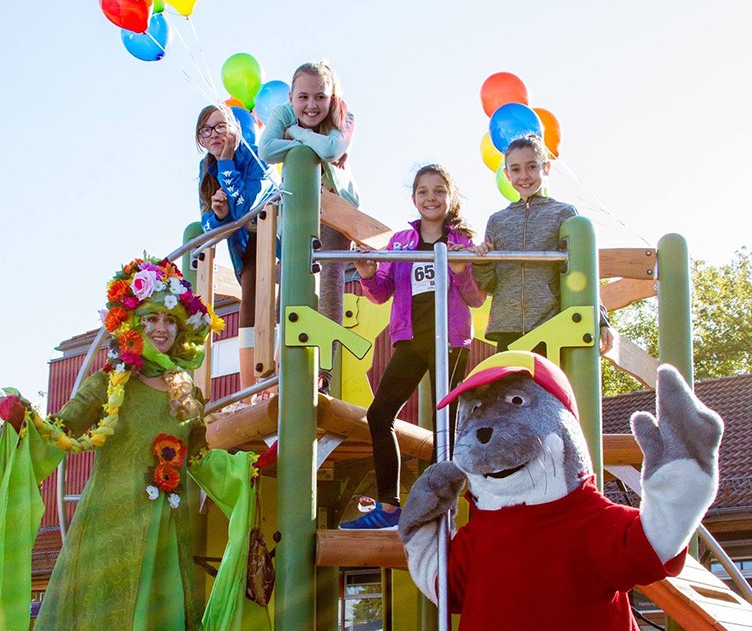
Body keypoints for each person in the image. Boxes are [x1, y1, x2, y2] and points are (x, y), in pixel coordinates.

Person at [0, 259, 269, 631]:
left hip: (166, 533)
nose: (160, 329)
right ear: (131, 324)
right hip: (110, 526)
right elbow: (63, 428)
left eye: (169, 321)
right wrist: (23, 422)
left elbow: (198, 458)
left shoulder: (185, 394)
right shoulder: (109, 381)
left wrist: (248, 471)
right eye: (150, 319)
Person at [339, 165, 485, 530]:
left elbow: (476, 298)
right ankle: (389, 506)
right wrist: (368, 274)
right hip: (412, 338)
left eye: (438, 191)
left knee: (445, 425)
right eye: (423, 191)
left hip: (448, 340)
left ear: (450, 197)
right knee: (379, 413)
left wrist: (463, 268)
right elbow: (382, 290)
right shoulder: (401, 242)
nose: (431, 198)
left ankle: (441, 504)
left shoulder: (461, 242)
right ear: (414, 198)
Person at [259, 61, 358, 392]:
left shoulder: (341, 115)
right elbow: (266, 149)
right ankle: (279, 373)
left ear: (332, 97)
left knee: (328, 281)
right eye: (303, 97)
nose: (312, 105)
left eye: (320, 97)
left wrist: (299, 137)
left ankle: (323, 376)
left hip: (335, 207)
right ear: (291, 96)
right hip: (299, 209)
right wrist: (307, 145)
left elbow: (332, 148)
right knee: (289, 281)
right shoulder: (283, 114)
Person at [473, 133, 613, 355]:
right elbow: (491, 284)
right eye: (516, 169)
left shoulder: (563, 213)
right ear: (507, 174)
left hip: (550, 323)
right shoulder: (497, 221)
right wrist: (481, 262)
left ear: (545, 168)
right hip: (507, 325)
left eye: (531, 167)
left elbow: (582, 272)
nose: (524, 176)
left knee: (545, 388)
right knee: (511, 388)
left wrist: (602, 320)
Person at [196, 105, 274, 391]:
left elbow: (248, 207)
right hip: (245, 249)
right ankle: (249, 388)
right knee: (249, 299)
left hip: (273, 239)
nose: (214, 135)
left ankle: (266, 384)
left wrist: (228, 163)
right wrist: (218, 214)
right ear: (200, 139)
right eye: (206, 130)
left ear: (234, 129)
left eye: (220, 126)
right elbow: (207, 225)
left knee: (265, 295)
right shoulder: (207, 169)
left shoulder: (256, 154)